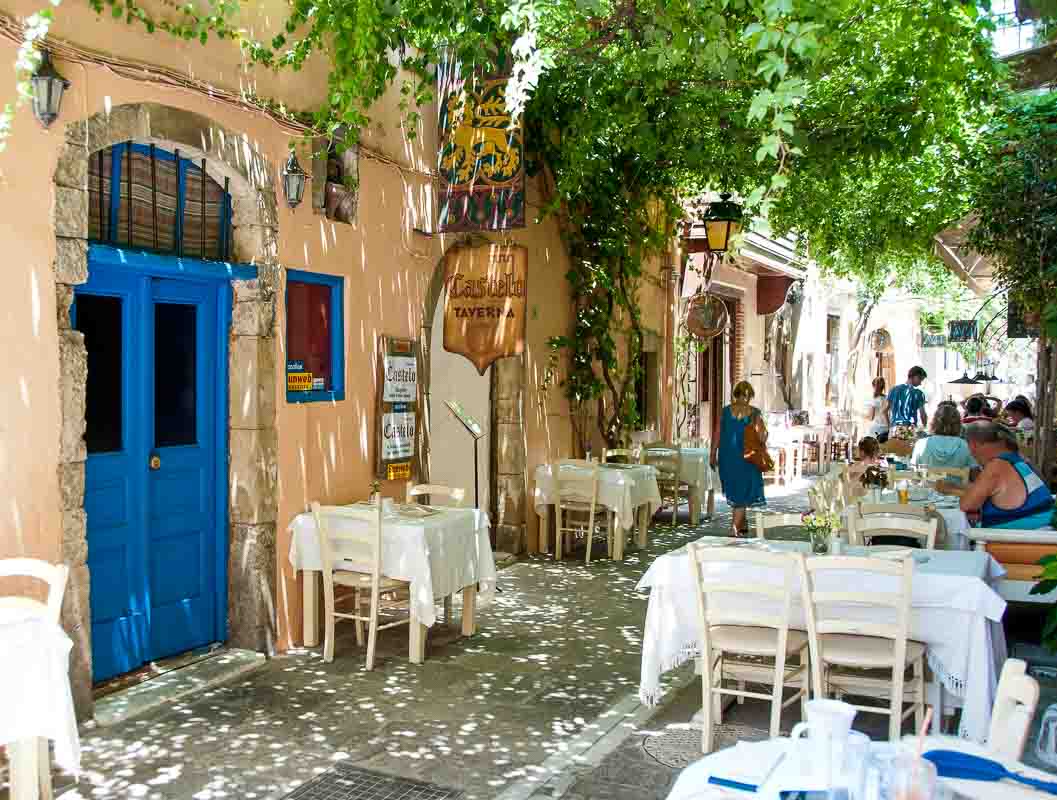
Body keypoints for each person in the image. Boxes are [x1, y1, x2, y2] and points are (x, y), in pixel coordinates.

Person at [937, 422, 1054, 529]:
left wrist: (953, 490)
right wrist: (954, 488)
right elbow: (997, 492)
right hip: (1043, 530)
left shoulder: (996, 466)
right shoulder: (1019, 459)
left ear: (973, 445)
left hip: (1021, 540)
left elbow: (967, 505)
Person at [710, 380, 767, 537]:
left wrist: (712, 453)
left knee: (736, 491)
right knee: (742, 494)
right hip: (746, 458)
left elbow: (717, 434)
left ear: (736, 395)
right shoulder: (754, 413)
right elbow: (762, 437)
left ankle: (742, 524)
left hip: (727, 458)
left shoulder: (725, 411)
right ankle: (734, 530)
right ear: (749, 396)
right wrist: (763, 433)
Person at [911, 403, 975, 475]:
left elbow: (915, 474)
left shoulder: (921, 444)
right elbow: (974, 473)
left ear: (934, 422)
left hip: (928, 485)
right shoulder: (965, 446)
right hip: (956, 486)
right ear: (958, 424)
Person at [865, 377, 890, 443]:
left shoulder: (875, 400)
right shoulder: (887, 398)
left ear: (873, 386)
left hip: (876, 430)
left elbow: (871, 418)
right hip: (886, 429)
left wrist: (862, 415)